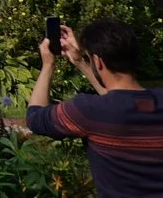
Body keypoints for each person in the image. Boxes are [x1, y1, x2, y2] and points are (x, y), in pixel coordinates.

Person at [30, 18, 163, 195]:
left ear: (98, 62)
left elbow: (35, 117)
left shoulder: (87, 111)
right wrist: (81, 62)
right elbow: (118, 101)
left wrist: (48, 65)